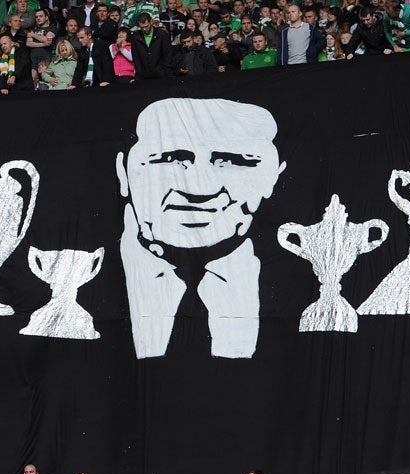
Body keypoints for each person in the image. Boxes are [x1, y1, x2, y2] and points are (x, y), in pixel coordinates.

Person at [116, 96, 286, 359]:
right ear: (124, 174)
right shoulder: (90, 264)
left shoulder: (295, 271)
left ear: (272, 177)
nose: (199, 187)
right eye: (171, 158)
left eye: (231, 162)